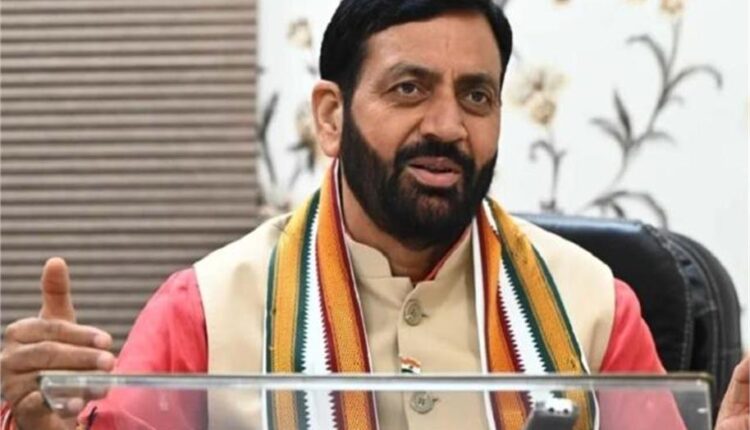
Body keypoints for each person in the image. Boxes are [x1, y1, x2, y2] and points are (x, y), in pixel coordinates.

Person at [1, 0, 747, 429]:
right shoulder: (203, 310)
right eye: (409, 89)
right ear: (332, 116)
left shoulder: (594, 307)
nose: (448, 126)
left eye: (476, 95)